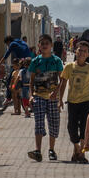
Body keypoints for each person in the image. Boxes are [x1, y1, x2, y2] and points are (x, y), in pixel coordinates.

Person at [60, 41, 89, 163]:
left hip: (86, 101)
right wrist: (59, 99)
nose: (81, 53)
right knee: (71, 127)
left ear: (88, 54)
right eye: (79, 50)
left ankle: (81, 153)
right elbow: (63, 83)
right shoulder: (69, 67)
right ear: (75, 51)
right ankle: (76, 148)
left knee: (84, 128)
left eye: (84, 51)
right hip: (72, 102)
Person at [27, 34, 63, 162]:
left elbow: (62, 79)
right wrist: (31, 96)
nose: (44, 45)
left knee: (54, 123)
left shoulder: (57, 61)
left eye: (47, 43)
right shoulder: (35, 61)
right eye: (42, 43)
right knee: (39, 123)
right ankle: (38, 151)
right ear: (39, 46)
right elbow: (31, 81)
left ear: (51, 45)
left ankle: (51, 150)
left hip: (53, 98)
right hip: (39, 96)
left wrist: (57, 94)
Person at [0, 36, 33, 105]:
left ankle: (8, 98)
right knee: (25, 81)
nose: (8, 46)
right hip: (29, 62)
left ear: (8, 42)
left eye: (7, 44)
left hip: (22, 62)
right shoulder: (21, 42)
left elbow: (6, 55)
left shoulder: (12, 44)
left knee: (10, 79)